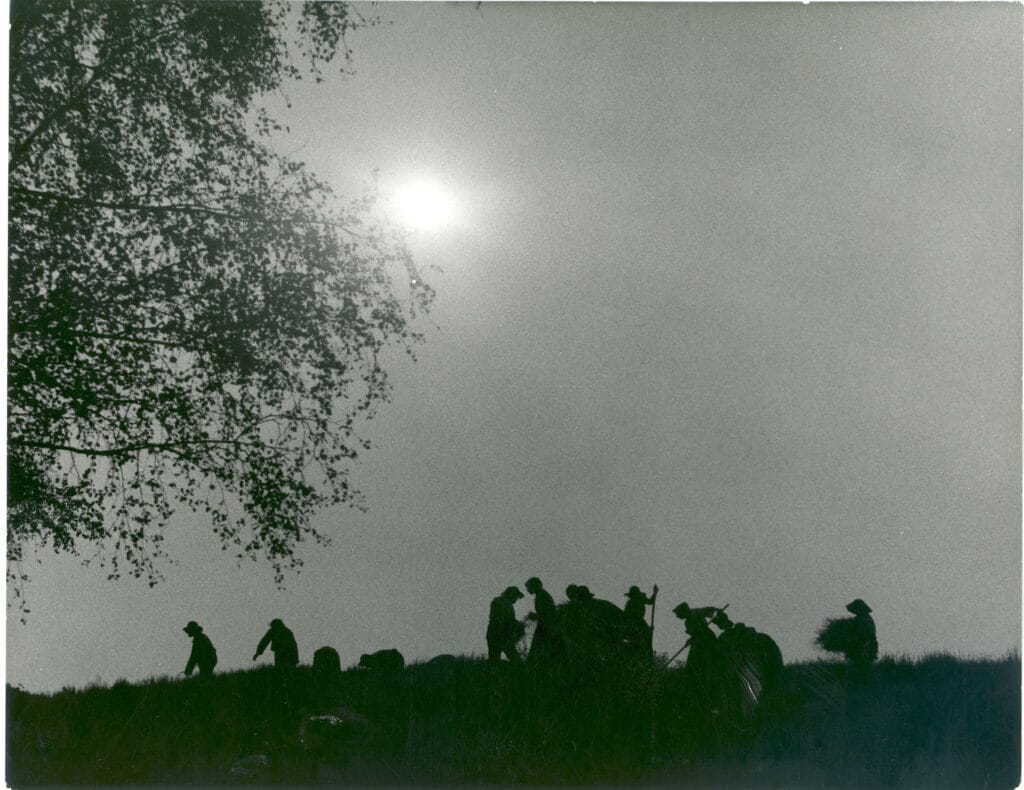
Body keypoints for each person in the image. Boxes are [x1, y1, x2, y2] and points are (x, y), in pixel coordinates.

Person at [486, 586, 524, 664]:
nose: (516, 599)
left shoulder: (502, 602)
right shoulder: (500, 602)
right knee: (514, 659)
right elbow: (499, 619)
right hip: (499, 635)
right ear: (511, 594)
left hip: (499, 635)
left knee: (494, 660)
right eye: (516, 596)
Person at [525, 577, 558, 663]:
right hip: (545, 625)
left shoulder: (542, 596)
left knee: (539, 650)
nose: (527, 590)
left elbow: (548, 613)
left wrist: (535, 616)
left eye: (528, 587)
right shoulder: (542, 595)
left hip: (546, 626)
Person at [845, 598, 878, 666]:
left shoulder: (864, 619)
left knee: (862, 665)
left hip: (864, 646)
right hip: (862, 646)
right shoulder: (859, 619)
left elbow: (868, 634)